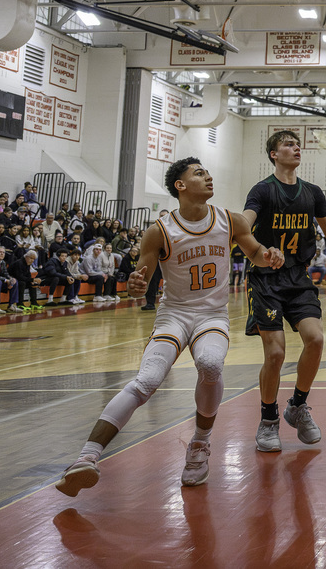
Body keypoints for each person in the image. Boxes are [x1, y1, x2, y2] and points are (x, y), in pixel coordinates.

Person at [57, 158, 279, 497]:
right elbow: (140, 283)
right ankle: (86, 457)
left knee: (210, 364)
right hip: (174, 314)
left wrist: (270, 256)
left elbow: (256, 254)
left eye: (207, 172)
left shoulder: (229, 220)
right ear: (180, 185)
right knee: (146, 380)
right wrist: (133, 285)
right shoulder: (159, 230)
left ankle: (200, 444)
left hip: (211, 315)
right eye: (199, 174)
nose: (208, 177)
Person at [244, 130, 326, 451]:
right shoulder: (263, 190)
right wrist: (260, 249)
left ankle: (297, 407)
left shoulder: (312, 192)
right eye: (287, 144)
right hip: (266, 279)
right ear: (273, 154)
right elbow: (243, 226)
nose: (296, 148)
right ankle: (268, 419)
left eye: (298, 144)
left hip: (298, 277)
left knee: (316, 339)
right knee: (277, 353)